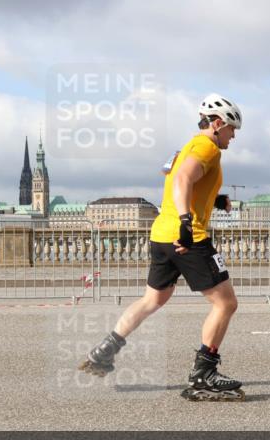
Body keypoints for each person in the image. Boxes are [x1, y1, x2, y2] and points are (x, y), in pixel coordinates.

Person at [79, 93, 245, 401]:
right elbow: (182, 180)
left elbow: (171, 177)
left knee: (152, 300)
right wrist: (186, 220)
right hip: (188, 238)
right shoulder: (208, 148)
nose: (233, 136)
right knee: (226, 304)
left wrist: (214, 200)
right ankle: (203, 374)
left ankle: (106, 349)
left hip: (160, 236)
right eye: (232, 129)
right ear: (218, 124)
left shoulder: (186, 149)